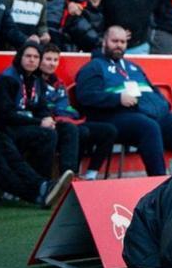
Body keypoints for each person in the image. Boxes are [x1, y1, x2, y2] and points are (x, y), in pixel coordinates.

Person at [73, 26, 172, 176]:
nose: (119, 45)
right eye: (114, 41)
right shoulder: (94, 67)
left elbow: (153, 89)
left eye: (122, 42)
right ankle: (158, 183)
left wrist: (162, 104)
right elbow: (85, 95)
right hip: (115, 116)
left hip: (150, 113)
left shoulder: (133, 67)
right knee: (148, 127)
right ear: (104, 42)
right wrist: (118, 99)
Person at [38, 43, 118, 180]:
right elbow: (48, 109)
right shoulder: (34, 82)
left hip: (69, 120)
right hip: (51, 124)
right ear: (39, 60)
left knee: (109, 130)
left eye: (55, 60)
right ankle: (68, 178)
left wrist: (65, 111)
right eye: (48, 59)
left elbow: (65, 108)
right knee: (79, 131)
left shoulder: (59, 83)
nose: (52, 64)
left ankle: (90, 175)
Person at [0, 41, 61, 177]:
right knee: (47, 135)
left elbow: (41, 105)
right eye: (28, 56)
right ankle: (40, 183)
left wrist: (47, 117)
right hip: (4, 127)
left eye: (36, 57)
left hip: (25, 123)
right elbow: (6, 115)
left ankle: (67, 176)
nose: (32, 60)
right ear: (20, 57)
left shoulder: (36, 78)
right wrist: (39, 122)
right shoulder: (8, 78)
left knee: (66, 129)